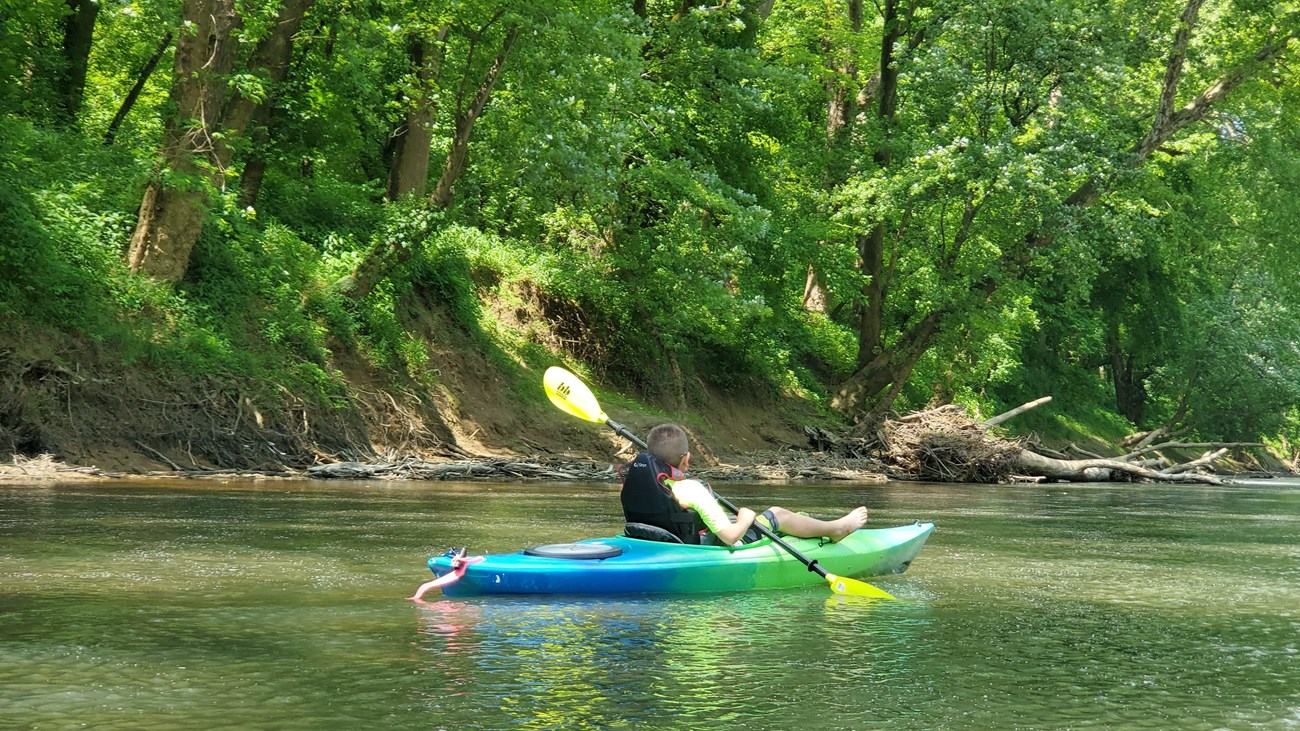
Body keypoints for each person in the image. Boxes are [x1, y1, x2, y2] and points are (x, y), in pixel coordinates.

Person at [620, 423, 869, 546]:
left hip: (656, 542)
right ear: (687, 458)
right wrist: (746, 518)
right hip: (701, 549)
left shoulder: (635, 484)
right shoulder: (692, 489)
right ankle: (836, 527)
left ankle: (818, 526)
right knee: (776, 515)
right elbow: (729, 537)